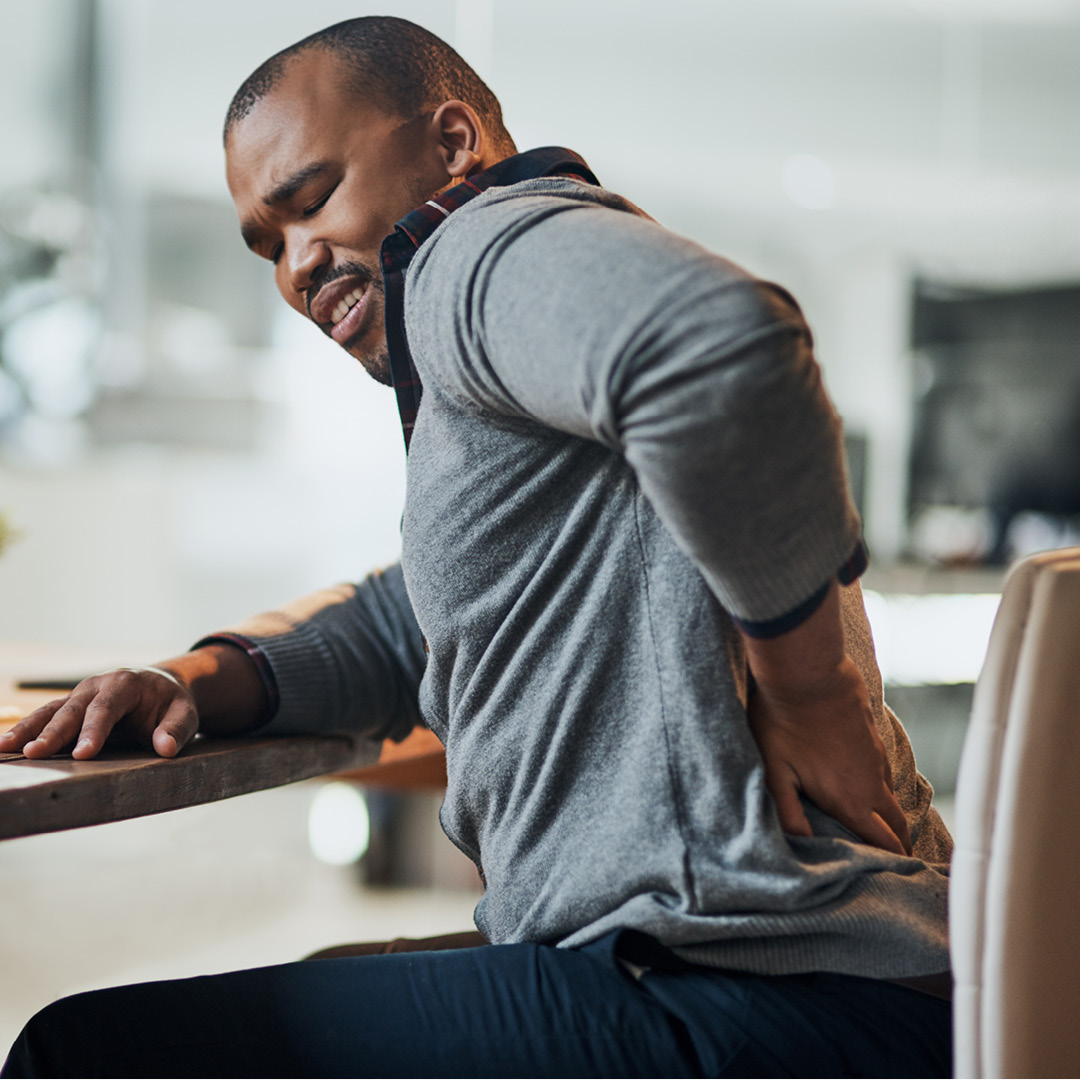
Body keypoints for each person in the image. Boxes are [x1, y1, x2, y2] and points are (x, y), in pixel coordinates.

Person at [1, 16, 953, 1078]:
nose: (298, 264)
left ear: (454, 145)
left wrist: (810, 690)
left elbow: (724, 347)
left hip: (757, 986)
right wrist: (193, 680)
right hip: (802, 980)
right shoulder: (498, 369)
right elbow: (427, 617)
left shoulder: (466, 253)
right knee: (329, 980)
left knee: (77, 1058)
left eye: (310, 200)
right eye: (267, 245)